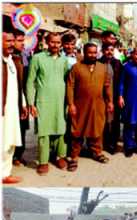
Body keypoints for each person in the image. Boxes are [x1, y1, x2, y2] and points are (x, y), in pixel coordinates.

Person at [25, 32, 69, 175]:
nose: (55, 45)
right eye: (52, 42)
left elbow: (67, 81)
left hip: (60, 100)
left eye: (58, 42)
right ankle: (43, 161)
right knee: (44, 130)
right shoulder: (37, 58)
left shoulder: (64, 60)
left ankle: (60, 156)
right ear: (46, 42)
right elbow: (30, 81)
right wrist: (30, 103)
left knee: (61, 128)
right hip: (43, 100)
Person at [66, 43, 113, 171]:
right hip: (80, 105)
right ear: (84, 52)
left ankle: (97, 152)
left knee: (97, 128)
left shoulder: (103, 68)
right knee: (77, 130)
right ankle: (74, 157)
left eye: (94, 52)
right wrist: (71, 104)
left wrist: (110, 101)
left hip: (98, 104)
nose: (92, 55)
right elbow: (70, 86)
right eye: (89, 52)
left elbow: (107, 86)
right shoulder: (76, 67)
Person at [2, 29, 27, 184]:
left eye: (13, 41)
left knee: (10, 140)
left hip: (13, 109)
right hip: (3, 111)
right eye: (8, 41)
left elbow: (18, 86)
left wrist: (22, 104)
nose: (12, 44)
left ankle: (6, 173)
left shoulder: (12, 60)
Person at [99, 43, 123, 155]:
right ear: (103, 50)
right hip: (101, 97)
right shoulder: (98, 62)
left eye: (111, 50)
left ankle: (113, 143)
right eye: (107, 49)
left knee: (114, 121)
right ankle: (103, 143)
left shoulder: (117, 63)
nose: (109, 52)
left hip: (115, 96)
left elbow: (122, 82)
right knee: (102, 120)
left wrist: (120, 96)